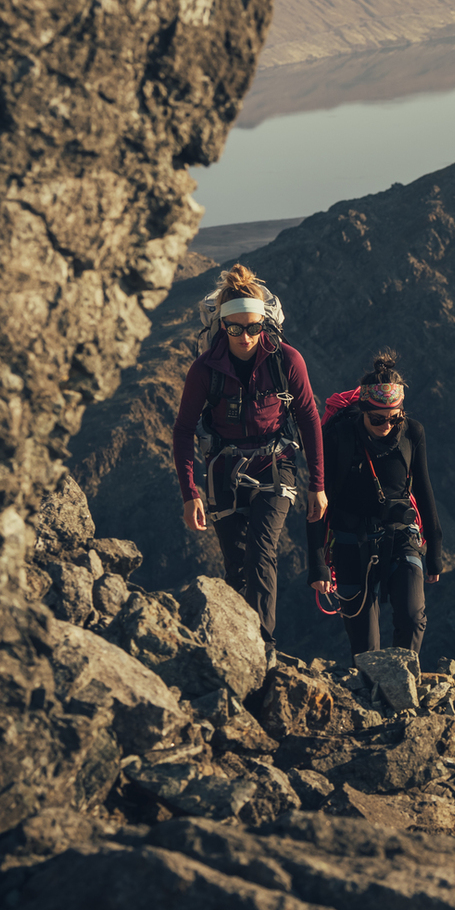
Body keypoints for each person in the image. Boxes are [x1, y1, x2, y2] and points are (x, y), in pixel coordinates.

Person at [170, 263, 326, 641]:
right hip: (224, 470)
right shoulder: (204, 370)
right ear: (222, 326)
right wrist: (190, 494)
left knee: (261, 551)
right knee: (237, 566)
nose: (245, 336)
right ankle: (239, 645)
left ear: (265, 324)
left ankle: (265, 645)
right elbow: (183, 430)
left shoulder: (287, 361)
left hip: (276, 466)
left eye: (253, 327)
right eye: (235, 328)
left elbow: (308, 418)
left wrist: (317, 484)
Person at [308, 350, 444, 660]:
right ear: (362, 411)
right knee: (365, 647)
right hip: (349, 542)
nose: (387, 425)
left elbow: (423, 490)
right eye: (377, 419)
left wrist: (434, 549)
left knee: (412, 619)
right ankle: (371, 696)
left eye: (394, 418)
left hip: (401, 536)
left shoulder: (412, 432)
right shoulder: (339, 438)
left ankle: (402, 685)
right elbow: (317, 501)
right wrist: (317, 563)